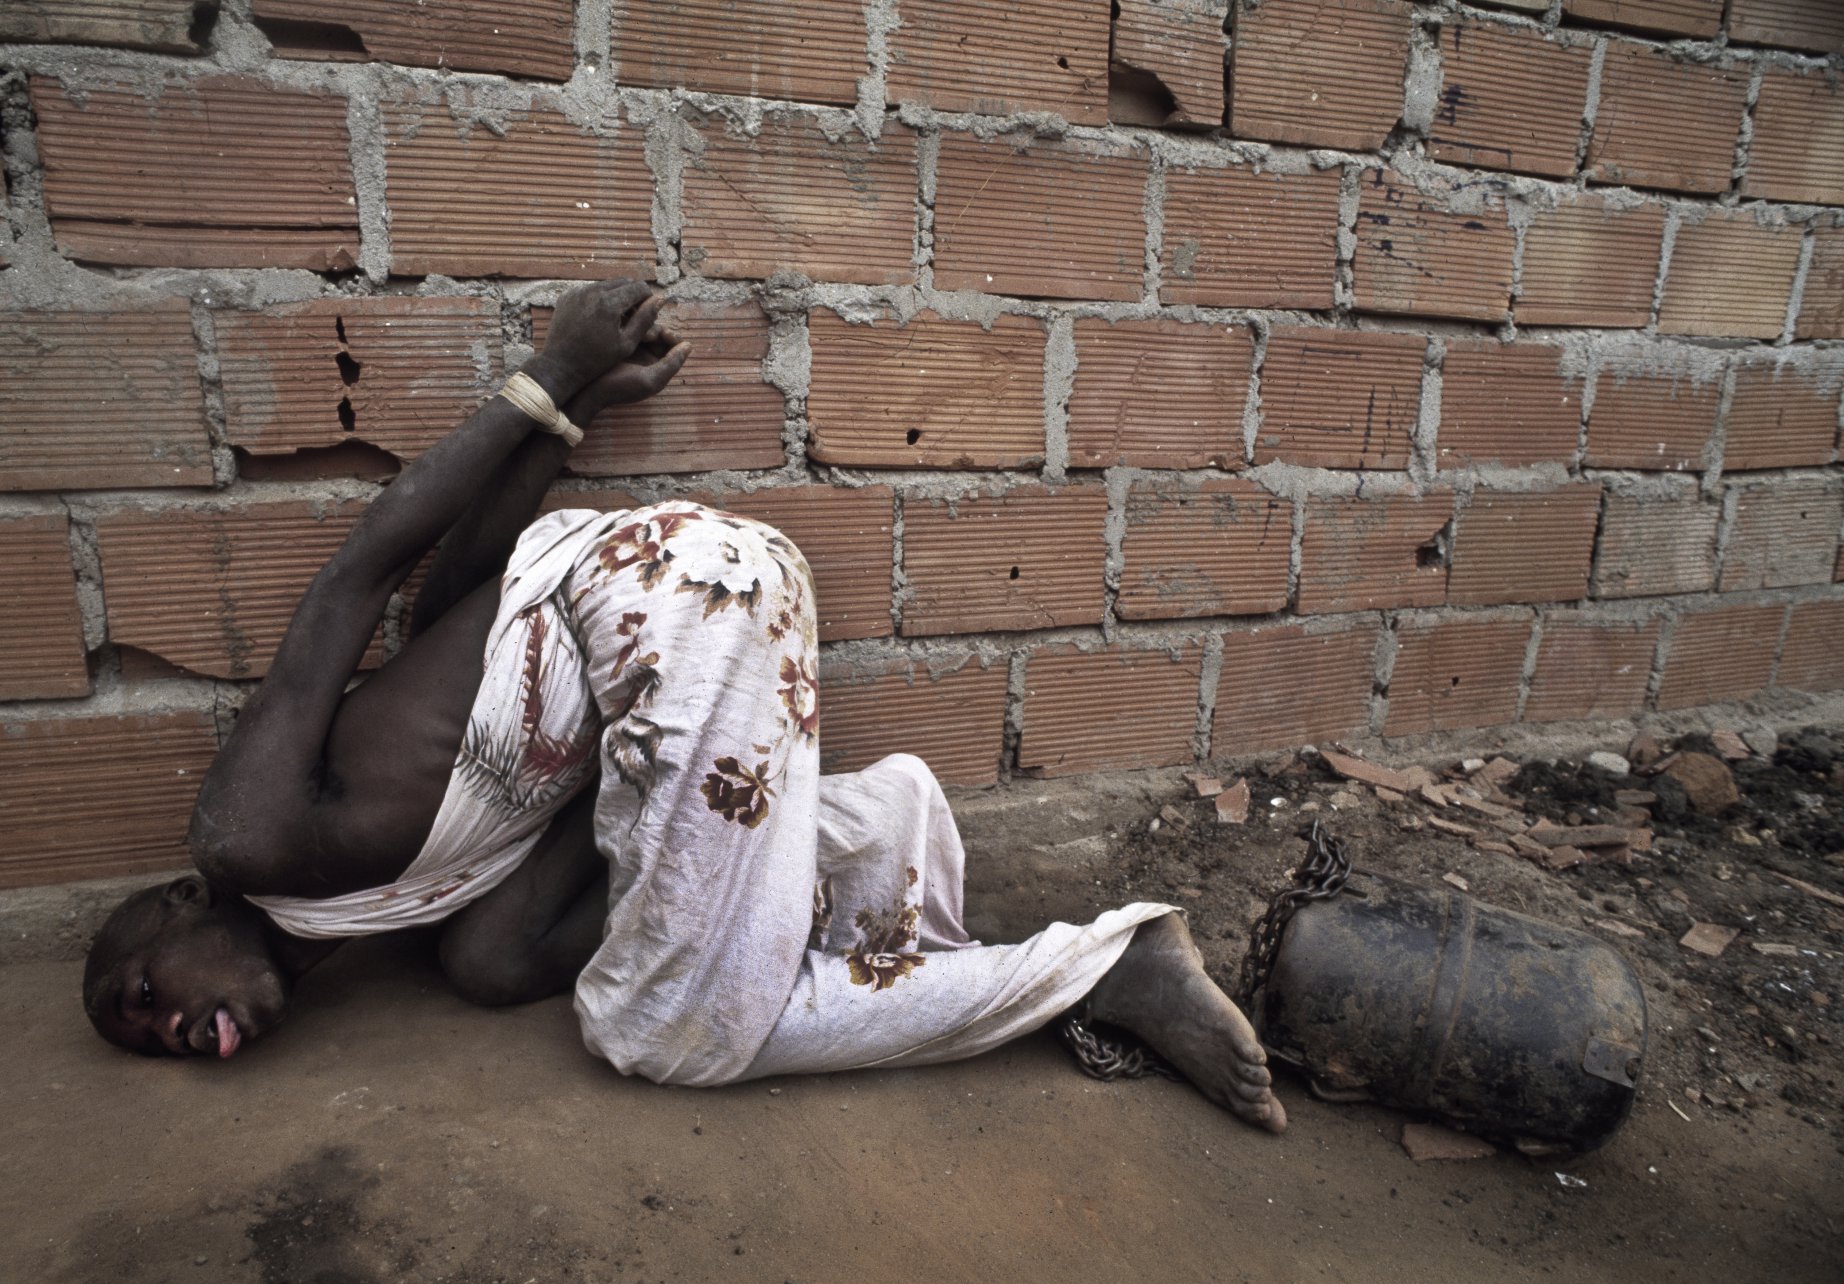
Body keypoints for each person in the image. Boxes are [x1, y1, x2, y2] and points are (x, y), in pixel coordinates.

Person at [81, 280, 1284, 1132]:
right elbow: (464, 614)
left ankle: (1096, 970)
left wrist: (552, 376)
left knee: (660, 1031)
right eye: (147, 1043)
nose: (166, 1030)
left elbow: (366, 578)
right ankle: (871, 824)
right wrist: (579, 421)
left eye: (143, 995)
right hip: (683, 626)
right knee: (511, 962)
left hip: (660, 603)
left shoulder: (243, 838)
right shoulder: (395, 919)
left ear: (181, 907)